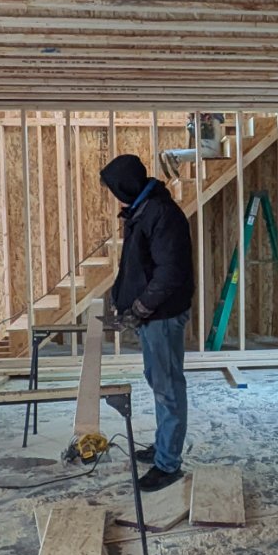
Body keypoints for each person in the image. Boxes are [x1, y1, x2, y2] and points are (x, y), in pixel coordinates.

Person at [99, 154, 193, 491]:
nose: (114, 195)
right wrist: (119, 296)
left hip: (162, 317)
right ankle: (163, 446)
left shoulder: (161, 215)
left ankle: (168, 465)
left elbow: (170, 274)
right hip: (154, 316)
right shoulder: (143, 210)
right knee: (158, 381)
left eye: (114, 188)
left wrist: (138, 308)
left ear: (126, 185)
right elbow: (137, 266)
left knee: (168, 388)